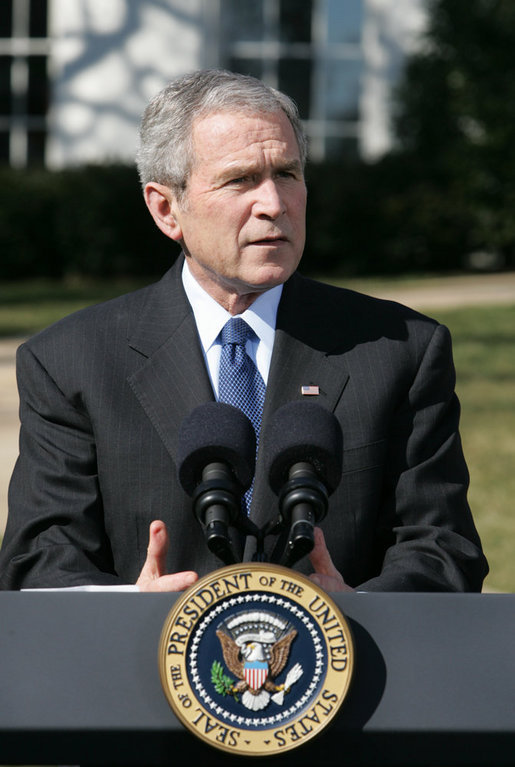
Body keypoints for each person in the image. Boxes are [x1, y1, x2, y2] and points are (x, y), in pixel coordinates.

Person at [0, 70, 488, 593]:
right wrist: (129, 611)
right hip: (141, 670)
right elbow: (39, 561)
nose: (274, 204)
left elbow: (442, 547)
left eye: (287, 173)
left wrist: (359, 613)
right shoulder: (71, 362)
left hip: (349, 668)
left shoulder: (400, 349)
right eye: (239, 180)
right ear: (167, 209)